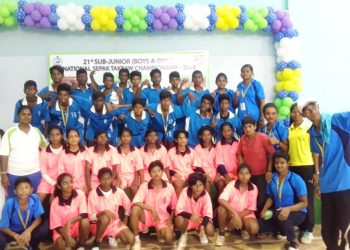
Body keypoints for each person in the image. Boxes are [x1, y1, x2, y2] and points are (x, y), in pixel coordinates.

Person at [301, 100, 350, 250]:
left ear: (318, 107)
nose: (311, 112)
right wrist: (318, 179)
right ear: (304, 115)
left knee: (346, 225)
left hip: (344, 182)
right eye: (307, 111)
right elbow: (320, 156)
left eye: (313, 108)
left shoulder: (337, 120)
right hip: (327, 184)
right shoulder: (313, 134)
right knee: (328, 229)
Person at [260, 152, 308, 250]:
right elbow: (271, 197)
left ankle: (293, 242)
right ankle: (282, 231)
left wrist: (288, 209)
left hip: (297, 212)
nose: (279, 165)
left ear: (288, 164)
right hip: (279, 211)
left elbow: (304, 203)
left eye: (282, 163)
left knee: (283, 217)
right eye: (277, 163)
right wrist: (264, 210)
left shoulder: (296, 179)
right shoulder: (272, 178)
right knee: (262, 221)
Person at [0, 106, 47, 197]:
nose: (26, 116)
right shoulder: (10, 132)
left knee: (33, 203)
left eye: (29, 114)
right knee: (14, 203)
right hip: (14, 174)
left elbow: (46, 148)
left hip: (34, 173)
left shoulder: (36, 131)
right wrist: (4, 175)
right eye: (23, 114)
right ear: (18, 116)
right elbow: (4, 155)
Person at [130, 161, 177, 250]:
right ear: (149, 173)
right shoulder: (144, 185)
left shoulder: (169, 187)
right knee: (135, 209)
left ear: (162, 172)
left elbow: (174, 207)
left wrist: (170, 219)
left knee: (168, 238)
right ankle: (136, 239)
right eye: (153, 171)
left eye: (159, 170)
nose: (156, 173)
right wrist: (152, 209)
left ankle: (160, 231)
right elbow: (136, 202)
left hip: (162, 218)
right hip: (147, 215)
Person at [88, 167, 134, 250]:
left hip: (115, 224)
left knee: (131, 240)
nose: (106, 181)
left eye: (108, 178)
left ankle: (111, 236)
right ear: (99, 180)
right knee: (105, 218)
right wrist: (103, 212)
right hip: (97, 224)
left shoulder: (119, 191)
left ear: (112, 178)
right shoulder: (93, 193)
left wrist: (125, 222)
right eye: (103, 179)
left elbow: (128, 206)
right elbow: (91, 217)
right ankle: (96, 242)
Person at [288, 103, 315, 243]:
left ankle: (309, 230)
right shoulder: (290, 128)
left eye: (298, 112)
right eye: (293, 112)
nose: (296, 114)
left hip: (306, 166)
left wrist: (316, 171)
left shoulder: (309, 127)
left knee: (307, 198)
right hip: (293, 167)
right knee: (297, 198)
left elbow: (315, 150)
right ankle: (301, 225)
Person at [237, 116, 274, 213]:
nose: (247, 129)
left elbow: (271, 154)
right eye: (245, 127)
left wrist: (269, 170)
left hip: (262, 174)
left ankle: (261, 223)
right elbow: (239, 154)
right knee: (250, 198)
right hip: (248, 175)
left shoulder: (262, 137)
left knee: (261, 199)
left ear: (255, 126)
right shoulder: (242, 138)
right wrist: (242, 169)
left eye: (250, 126)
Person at [0, 177, 49, 250]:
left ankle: (32, 245)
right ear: (15, 191)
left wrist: (28, 231)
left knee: (45, 228)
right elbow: (3, 227)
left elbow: (38, 219)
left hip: (29, 230)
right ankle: (9, 244)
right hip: (13, 231)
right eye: (20, 188)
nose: (23, 190)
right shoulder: (10, 203)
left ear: (31, 190)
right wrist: (15, 235)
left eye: (26, 187)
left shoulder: (35, 198)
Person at [216, 164, 259, 246]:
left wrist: (237, 217)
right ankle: (221, 234)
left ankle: (243, 229)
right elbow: (221, 199)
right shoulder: (231, 185)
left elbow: (251, 209)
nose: (244, 176)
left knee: (254, 229)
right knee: (221, 209)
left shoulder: (254, 188)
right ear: (237, 175)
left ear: (250, 175)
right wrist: (235, 214)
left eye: (247, 173)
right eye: (241, 173)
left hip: (245, 214)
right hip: (231, 213)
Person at [50, 173, 90, 250]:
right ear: (59, 186)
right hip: (62, 229)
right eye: (65, 183)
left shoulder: (80, 194)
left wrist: (70, 221)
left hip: (76, 226)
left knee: (85, 221)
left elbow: (84, 214)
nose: (69, 185)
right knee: (61, 245)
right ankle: (71, 243)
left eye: (70, 182)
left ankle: (81, 244)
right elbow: (57, 226)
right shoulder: (55, 202)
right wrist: (67, 237)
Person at [175, 172, 214, 249]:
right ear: (190, 185)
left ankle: (201, 232)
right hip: (187, 219)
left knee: (210, 230)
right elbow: (178, 210)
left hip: (199, 220)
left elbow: (208, 213)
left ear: (203, 185)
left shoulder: (205, 194)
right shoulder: (185, 192)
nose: (198, 187)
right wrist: (190, 216)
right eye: (195, 185)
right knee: (178, 219)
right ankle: (183, 234)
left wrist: (203, 225)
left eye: (200, 185)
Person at [37, 126, 65, 203]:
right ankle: (36, 215)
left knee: (53, 201)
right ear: (49, 137)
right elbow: (43, 172)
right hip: (47, 180)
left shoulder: (66, 149)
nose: (55, 137)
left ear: (62, 136)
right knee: (39, 199)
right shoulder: (44, 151)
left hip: (61, 180)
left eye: (57, 134)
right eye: (52, 135)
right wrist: (53, 183)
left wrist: (58, 183)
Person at [166, 129, 196, 196]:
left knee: (197, 182)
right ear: (176, 140)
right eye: (180, 138)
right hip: (177, 174)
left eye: (184, 138)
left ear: (187, 140)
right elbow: (168, 167)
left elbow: (196, 166)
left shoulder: (192, 151)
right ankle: (178, 206)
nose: (183, 140)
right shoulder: (171, 152)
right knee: (179, 184)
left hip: (190, 174)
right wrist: (174, 173)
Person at [57, 129, 87, 193]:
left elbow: (90, 169)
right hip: (70, 185)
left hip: (85, 184)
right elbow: (61, 172)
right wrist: (68, 185)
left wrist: (87, 185)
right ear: (67, 139)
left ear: (79, 138)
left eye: (76, 136)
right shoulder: (63, 154)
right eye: (71, 137)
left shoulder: (86, 151)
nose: (74, 139)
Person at [116, 128, 143, 197]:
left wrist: (135, 181)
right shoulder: (115, 151)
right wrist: (117, 178)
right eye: (123, 136)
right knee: (117, 190)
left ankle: (135, 207)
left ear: (131, 137)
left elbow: (139, 168)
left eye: (128, 136)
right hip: (120, 176)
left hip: (132, 176)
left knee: (136, 190)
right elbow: (113, 167)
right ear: (120, 137)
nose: (126, 138)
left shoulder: (136, 151)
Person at [215, 122, 240, 194]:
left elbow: (241, 159)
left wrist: (238, 174)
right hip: (224, 173)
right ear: (221, 132)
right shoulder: (219, 144)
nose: (227, 133)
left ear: (232, 131)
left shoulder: (238, 143)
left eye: (229, 130)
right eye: (224, 131)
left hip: (237, 173)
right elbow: (220, 162)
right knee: (221, 184)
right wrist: (226, 176)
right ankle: (220, 202)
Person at [193, 126, 217, 192]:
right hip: (202, 173)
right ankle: (207, 202)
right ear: (200, 136)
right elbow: (197, 166)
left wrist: (218, 175)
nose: (206, 137)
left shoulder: (216, 148)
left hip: (215, 173)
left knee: (221, 182)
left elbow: (219, 164)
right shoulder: (197, 148)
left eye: (209, 134)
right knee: (206, 182)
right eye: (204, 135)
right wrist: (205, 175)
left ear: (212, 135)